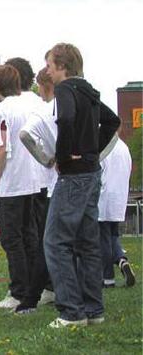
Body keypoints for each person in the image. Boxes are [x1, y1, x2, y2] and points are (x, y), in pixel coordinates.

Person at [44, 43, 120, 328]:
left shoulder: (65, 90)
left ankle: (71, 312)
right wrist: (93, 151)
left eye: (50, 65)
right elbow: (112, 121)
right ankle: (94, 310)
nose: (48, 71)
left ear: (62, 66)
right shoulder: (89, 91)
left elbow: (65, 118)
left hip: (73, 175)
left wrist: (63, 156)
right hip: (91, 173)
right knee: (87, 243)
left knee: (55, 242)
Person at [0, 64, 42, 309]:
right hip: (32, 180)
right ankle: (33, 288)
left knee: (11, 238)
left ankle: (18, 291)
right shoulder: (29, 106)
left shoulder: (0, 110)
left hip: (12, 182)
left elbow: (1, 148)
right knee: (30, 235)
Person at [15, 67, 58, 314]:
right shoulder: (71, 106)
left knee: (47, 241)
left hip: (51, 184)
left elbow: (25, 135)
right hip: (81, 180)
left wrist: (47, 159)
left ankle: (30, 298)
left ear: (45, 86)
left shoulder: (44, 110)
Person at [98, 136, 135, 288]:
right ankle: (121, 260)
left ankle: (108, 278)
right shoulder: (124, 147)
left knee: (103, 239)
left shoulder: (103, 145)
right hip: (119, 197)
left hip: (104, 196)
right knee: (113, 235)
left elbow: (98, 171)